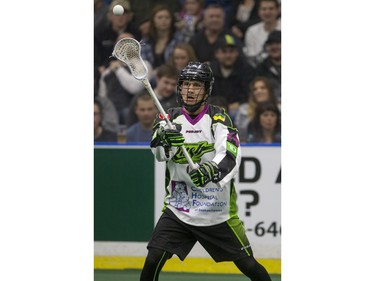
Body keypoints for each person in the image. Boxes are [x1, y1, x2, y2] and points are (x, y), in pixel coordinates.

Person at [140, 62, 272, 281]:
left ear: (207, 90)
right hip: (179, 208)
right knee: (153, 259)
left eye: (197, 85)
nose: (190, 90)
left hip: (216, 212)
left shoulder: (219, 118)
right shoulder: (168, 118)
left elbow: (231, 154)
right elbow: (159, 153)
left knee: (249, 266)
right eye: (186, 84)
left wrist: (211, 170)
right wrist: (166, 142)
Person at [98, 33, 154, 124]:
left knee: (126, 113)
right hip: (110, 113)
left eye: (128, 42)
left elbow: (134, 88)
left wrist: (118, 69)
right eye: (121, 43)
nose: (124, 46)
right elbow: (102, 96)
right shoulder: (108, 71)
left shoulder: (144, 64)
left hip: (133, 113)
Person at [94, 0, 141, 95]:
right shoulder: (100, 33)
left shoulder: (136, 32)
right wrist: (99, 67)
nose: (120, 17)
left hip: (129, 69)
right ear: (110, 16)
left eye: (124, 13)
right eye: (116, 14)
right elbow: (94, 54)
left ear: (129, 16)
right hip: (104, 69)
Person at [210, 33, 256, 120]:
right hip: (215, 109)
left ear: (237, 53)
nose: (228, 55)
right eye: (224, 51)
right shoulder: (209, 71)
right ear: (216, 54)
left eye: (231, 51)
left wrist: (237, 104)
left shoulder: (247, 70)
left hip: (238, 108)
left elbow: (248, 94)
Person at [235, 76, 279, 142]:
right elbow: (239, 134)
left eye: (263, 88)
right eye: (255, 89)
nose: (259, 91)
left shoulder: (280, 109)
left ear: (270, 91)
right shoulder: (243, 110)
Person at [140, 4, 185, 69]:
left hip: (173, 74)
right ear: (153, 21)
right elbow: (143, 62)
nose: (164, 20)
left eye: (167, 17)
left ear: (171, 20)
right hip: (149, 75)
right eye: (160, 17)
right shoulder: (146, 40)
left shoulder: (178, 38)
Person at [243, 0, 281, 67]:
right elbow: (252, 58)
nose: (267, 12)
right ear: (259, 12)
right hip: (261, 70)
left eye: (271, 9)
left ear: (278, 10)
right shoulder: (252, 31)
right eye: (264, 9)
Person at [255, 30, 281, 104]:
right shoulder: (261, 68)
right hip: (269, 107)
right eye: (271, 44)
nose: (274, 47)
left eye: (278, 43)